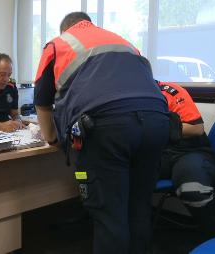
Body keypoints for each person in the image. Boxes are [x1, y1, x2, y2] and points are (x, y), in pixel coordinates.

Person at [34, 12, 169, 254]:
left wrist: (54, 139)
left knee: (110, 216)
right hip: (157, 121)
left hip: (107, 127)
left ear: (65, 29)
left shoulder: (58, 44)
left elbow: (43, 103)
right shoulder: (123, 42)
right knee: (138, 208)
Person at [157, 80, 215, 238]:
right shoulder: (121, 97)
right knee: (120, 177)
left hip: (187, 151)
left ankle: (212, 237)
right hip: (154, 154)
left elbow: (196, 129)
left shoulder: (168, 90)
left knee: (193, 189)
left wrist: (157, 126)